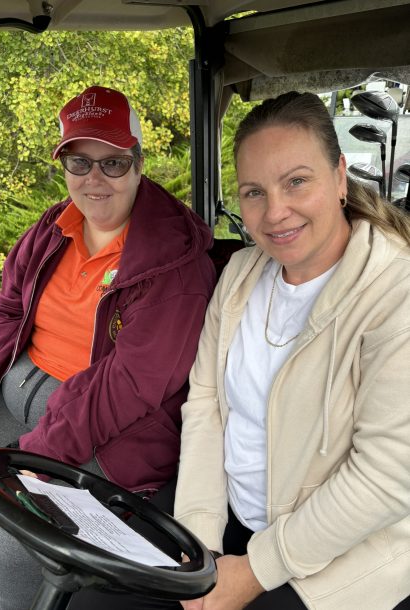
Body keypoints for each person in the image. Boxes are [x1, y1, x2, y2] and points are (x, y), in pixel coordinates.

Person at [0, 85, 216, 610]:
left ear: (139, 163)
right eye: (79, 161)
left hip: (106, 429)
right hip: (18, 395)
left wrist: (39, 455)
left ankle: (3, 595)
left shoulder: (173, 263)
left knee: (16, 552)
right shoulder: (53, 227)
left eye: (112, 163)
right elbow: (8, 306)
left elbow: (132, 384)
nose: (94, 179)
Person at [174, 91, 410, 610]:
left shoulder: (396, 293)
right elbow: (206, 404)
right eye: (254, 191)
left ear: (340, 176)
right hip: (233, 532)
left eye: (296, 182)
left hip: (341, 560)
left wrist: (254, 572)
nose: (274, 212)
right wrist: (196, 544)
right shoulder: (240, 276)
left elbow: (385, 476)